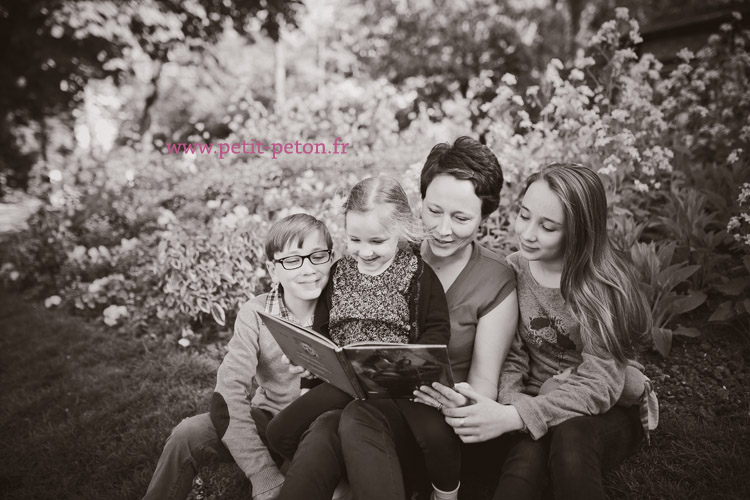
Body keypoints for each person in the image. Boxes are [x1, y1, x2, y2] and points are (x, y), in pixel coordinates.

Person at [274, 137, 518, 500]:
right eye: (434, 210)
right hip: (359, 399)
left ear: (485, 215)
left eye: (461, 217)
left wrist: (450, 398)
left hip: (431, 418)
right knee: (327, 424)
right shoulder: (384, 248)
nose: (443, 229)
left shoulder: (494, 279)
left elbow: (483, 383)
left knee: (353, 420)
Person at [416, 163, 657, 500]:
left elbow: (600, 383)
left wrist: (517, 415)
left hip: (603, 408)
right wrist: (514, 407)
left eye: (547, 227)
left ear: (579, 232)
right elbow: (512, 359)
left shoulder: (601, 287)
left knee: (569, 443)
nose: (527, 233)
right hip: (531, 398)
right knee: (524, 463)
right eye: (525, 215)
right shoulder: (514, 270)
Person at [266, 175, 466, 500]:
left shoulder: (416, 274)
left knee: (436, 434)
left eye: (376, 241)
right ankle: (340, 469)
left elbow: (437, 327)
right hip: (346, 379)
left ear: (400, 231)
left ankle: (444, 492)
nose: (365, 251)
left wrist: (418, 361)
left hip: (401, 382)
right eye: (354, 240)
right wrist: (313, 359)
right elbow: (322, 325)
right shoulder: (341, 273)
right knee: (280, 430)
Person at [142, 213, 334, 500]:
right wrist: (262, 473)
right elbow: (229, 392)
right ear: (273, 269)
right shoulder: (256, 314)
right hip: (267, 419)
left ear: (331, 258)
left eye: (317, 255)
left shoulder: (342, 310)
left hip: (317, 431)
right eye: (293, 260)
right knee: (186, 434)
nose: (308, 269)